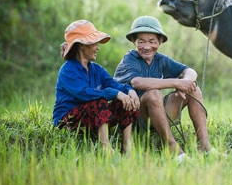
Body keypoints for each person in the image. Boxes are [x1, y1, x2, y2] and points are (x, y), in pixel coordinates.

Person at [114, 16, 212, 161]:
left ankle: (205, 147)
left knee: (193, 89)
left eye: (152, 41)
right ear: (134, 42)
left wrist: (185, 83)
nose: (147, 47)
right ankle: (172, 148)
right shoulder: (130, 59)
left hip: (156, 114)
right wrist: (176, 83)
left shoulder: (160, 59)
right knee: (153, 94)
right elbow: (137, 82)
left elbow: (190, 71)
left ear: (160, 42)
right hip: (134, 118)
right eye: (141, 42)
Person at [53, 20, 140, 155]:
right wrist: (114, 93)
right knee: (99, 101)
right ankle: (104, 147)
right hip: (68, 120)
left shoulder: (96, 69)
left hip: (91, 117)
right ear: (82, 45)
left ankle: (127, 146)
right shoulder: (68, 70)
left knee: (126, 101)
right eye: (95, 43)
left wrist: (130, 91)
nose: (98, 47)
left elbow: (113, 84)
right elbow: (83, 94)